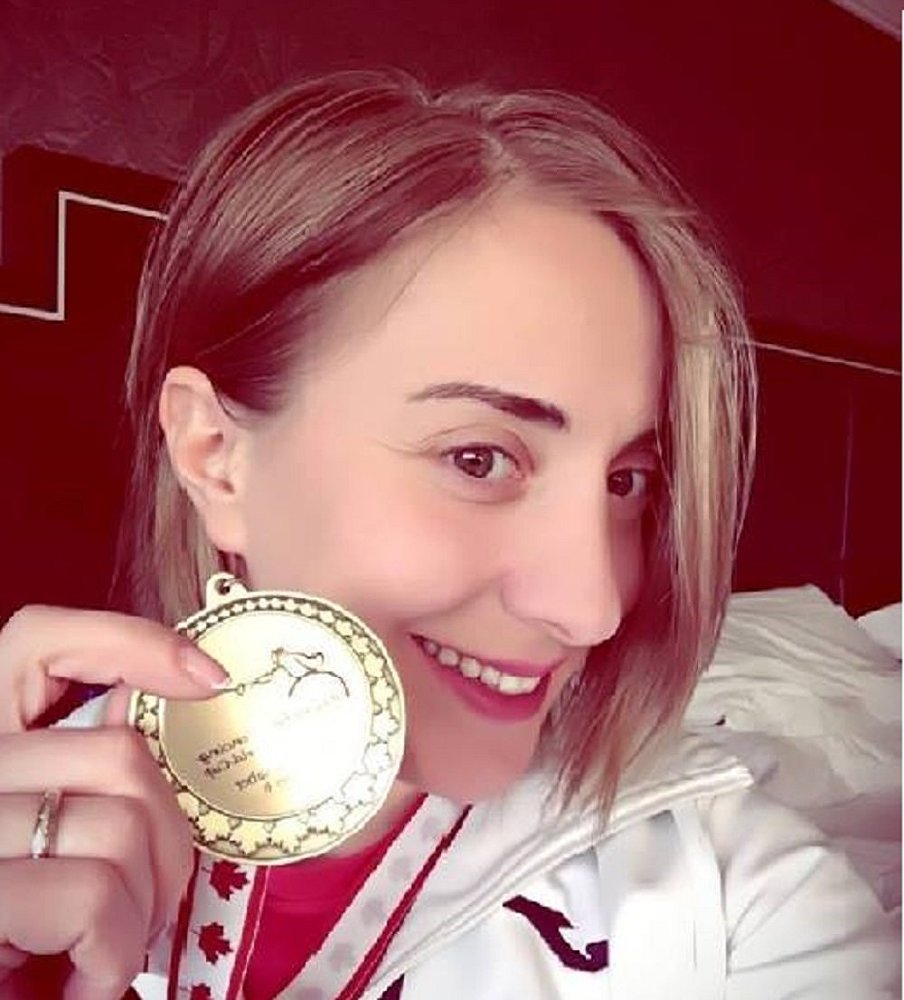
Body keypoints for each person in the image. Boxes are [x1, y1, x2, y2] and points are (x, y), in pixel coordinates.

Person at [0, 69, 896, 1000]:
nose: (591, 609)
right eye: (479, 459)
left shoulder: (744, 901)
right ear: (215, 454)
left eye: (629, 482)